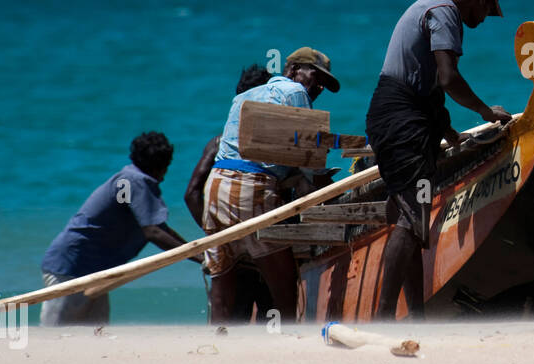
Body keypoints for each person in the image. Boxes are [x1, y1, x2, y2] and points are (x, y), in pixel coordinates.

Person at [367, 0, 512, 320]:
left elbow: (431, 91)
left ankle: (416, 316)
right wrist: (485, 112)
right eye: (487, 11)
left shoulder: (429, 5)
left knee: (413, 220)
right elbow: (447, 78)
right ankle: (384, 317)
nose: (483, 19)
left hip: (402, 115)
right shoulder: (446, 14)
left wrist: (449, 135)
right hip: (401, 118)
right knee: (409, 217)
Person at [202, 48, 339, 323]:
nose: (319, 87)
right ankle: (287, 336)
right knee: (284, 281)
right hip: (250, 188)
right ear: (291, 70)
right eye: (316, 77)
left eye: (324, 84)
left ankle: (218, 340)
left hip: (216, 187)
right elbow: (311, 162)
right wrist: (335, 197)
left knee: (222, 280)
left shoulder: (242, 97)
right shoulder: (295, 93)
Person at [40, 132, 198, 325]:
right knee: (55, 335)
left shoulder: (130, 180)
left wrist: (198, 251)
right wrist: (199, 256)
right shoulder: (134, 181)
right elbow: (153, 232)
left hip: (94, 273)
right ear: (161, 164)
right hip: (71, 269)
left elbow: (160, 228)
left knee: (94, 334)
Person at [184, 63, 272, 320]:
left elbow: (191, 194)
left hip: (228, 247)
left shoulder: (219, 144)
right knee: (270, 310)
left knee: (228, 312)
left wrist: (216, 231)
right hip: (263, 249)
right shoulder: (270, 146)